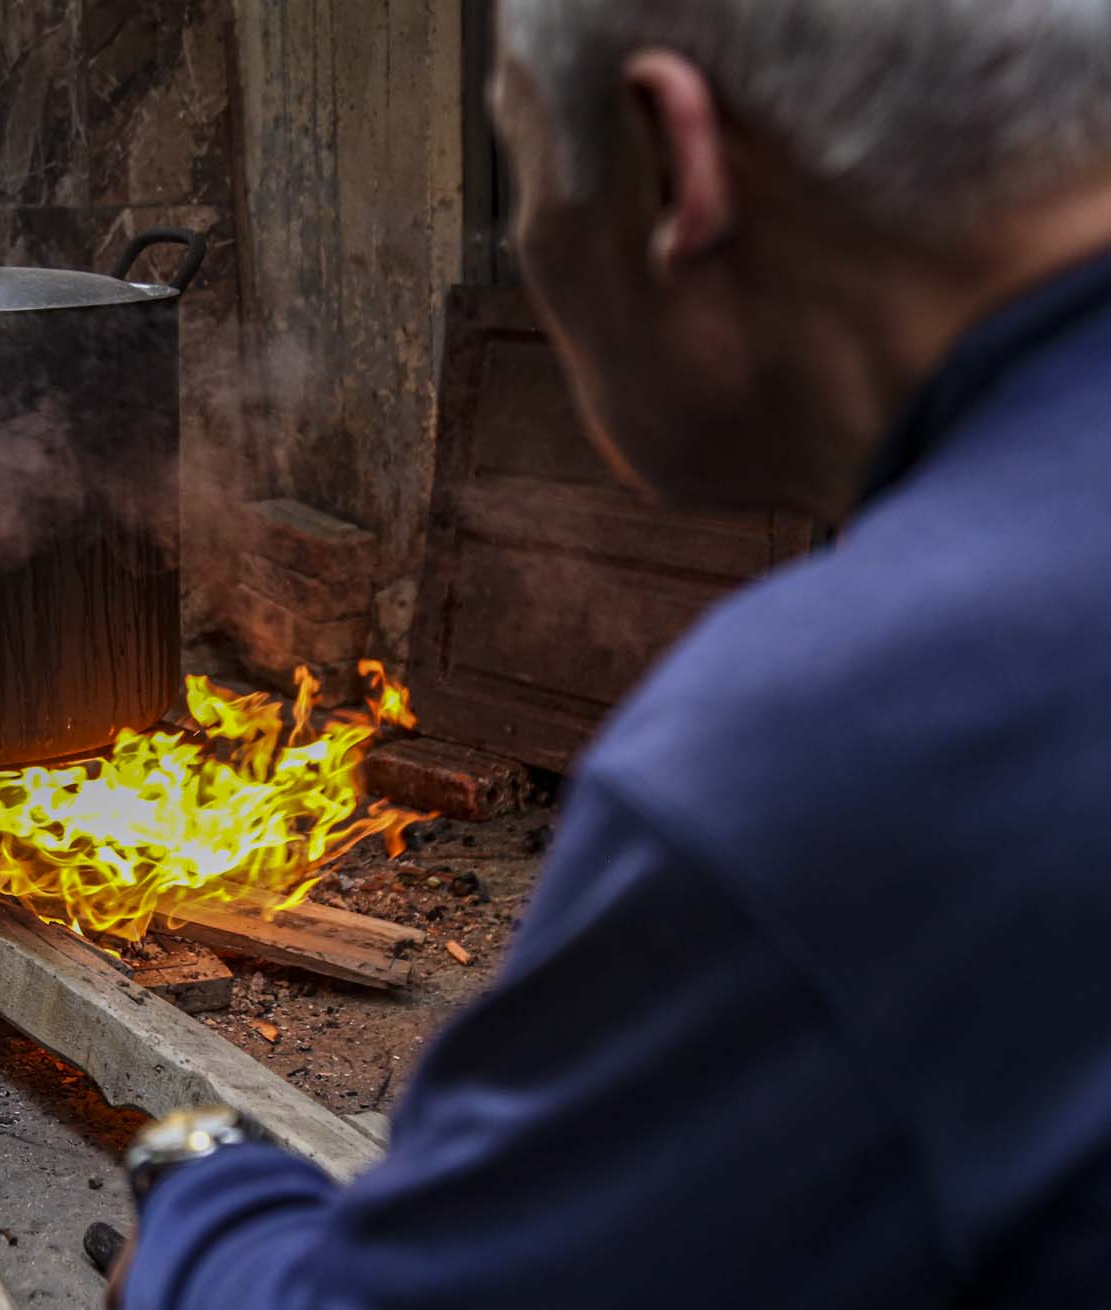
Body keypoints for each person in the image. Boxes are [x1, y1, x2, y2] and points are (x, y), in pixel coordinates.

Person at [112, 1, 1111, 1305]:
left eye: (522, 175)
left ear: (674, 163)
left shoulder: (832, 740)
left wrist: (205, 1198)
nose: (525, 243)